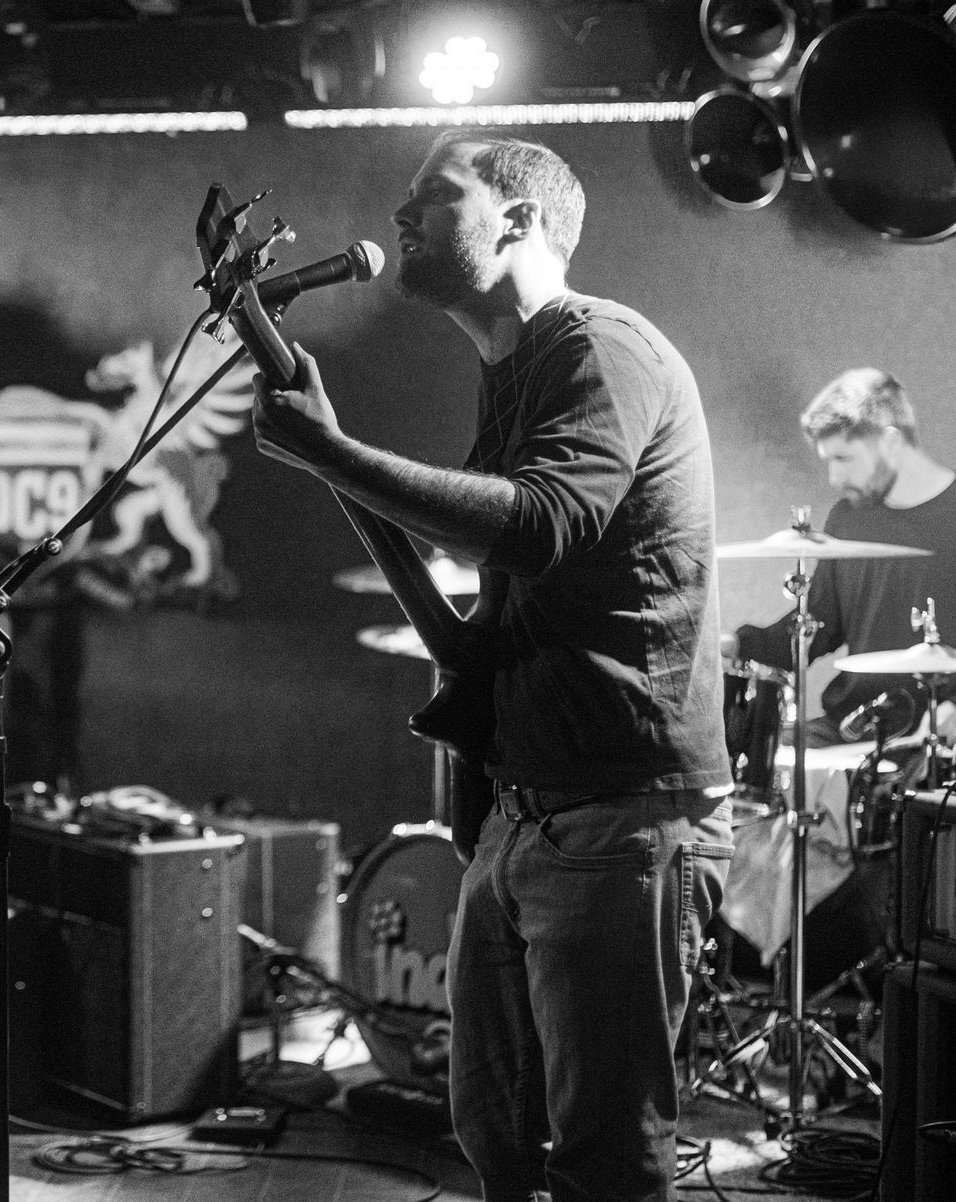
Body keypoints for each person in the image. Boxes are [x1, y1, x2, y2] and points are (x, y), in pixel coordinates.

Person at [250, 131, 734, 1200]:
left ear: (518, 219)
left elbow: (541, 523)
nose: (401, 214)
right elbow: (489, 622)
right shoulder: (513, 374)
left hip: (621, 815)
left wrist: (337, 453)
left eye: (435, 194)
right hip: (528, 811)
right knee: (497, 1137)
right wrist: (336, 464)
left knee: (606, 1160)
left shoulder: (602, 348)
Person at [725, 368, 956, 746]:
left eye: (844, 458)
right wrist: (737, 644)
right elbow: (815, 628)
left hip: (933, 737)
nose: (834, 478)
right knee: (757, 756)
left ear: (890, 442)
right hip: (852, 727)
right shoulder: (848, 519)